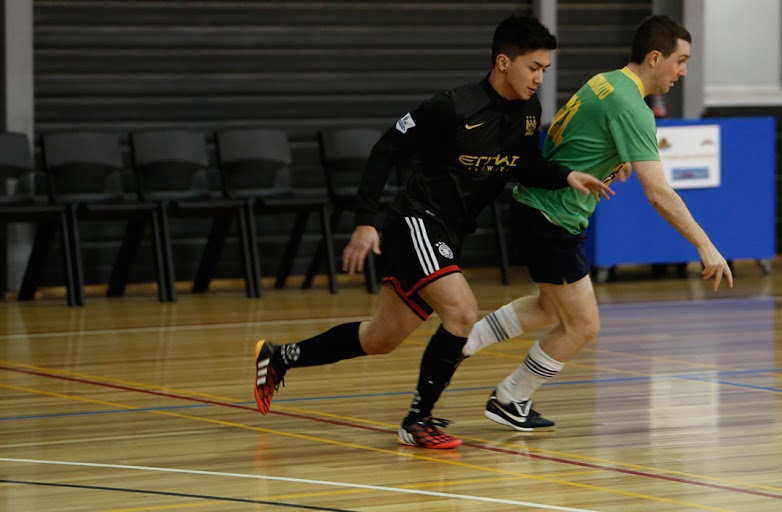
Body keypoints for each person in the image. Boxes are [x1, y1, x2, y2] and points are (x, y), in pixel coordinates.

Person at [253, 15, 612, 449]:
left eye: (544, 70)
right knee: (462, 312)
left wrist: (568, 176)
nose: (540, 78)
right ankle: (417, 420)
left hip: (449, 233)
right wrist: (366, 220)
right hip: (416, 222)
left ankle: (279, 357)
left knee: (380, 337)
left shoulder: (528, 113)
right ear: (503, 61)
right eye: (533, 67)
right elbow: (383, 151)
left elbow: (526, 165)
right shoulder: (450, 107)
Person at [453, 14, 733, 432]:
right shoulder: (631, 106)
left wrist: (610, 161)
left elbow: (581, 136)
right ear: (655, 57)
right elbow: (659, 193)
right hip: (551, 216)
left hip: (542, 211)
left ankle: (462, 343)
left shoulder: (607, 82)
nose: (683, 72)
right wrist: (705, 245)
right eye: (681, 60)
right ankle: (511, 395)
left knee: (550, 305)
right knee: (583, 325)